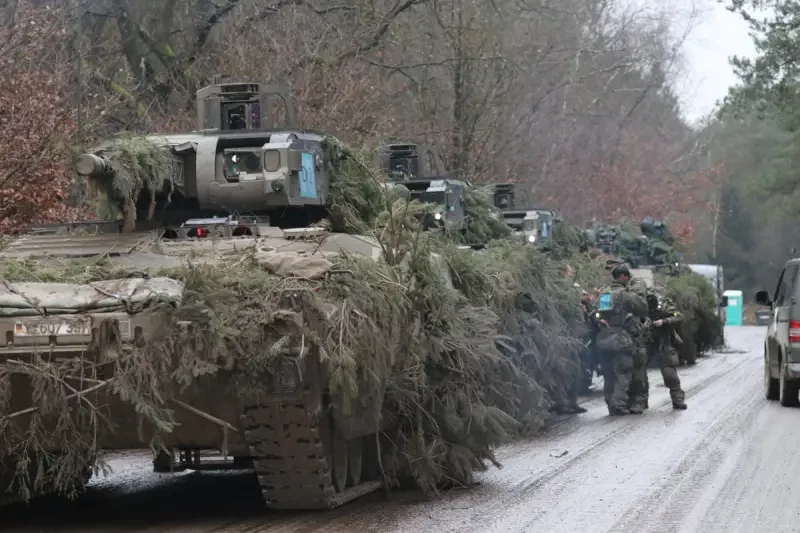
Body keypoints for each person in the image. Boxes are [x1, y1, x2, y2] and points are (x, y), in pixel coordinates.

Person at [595, 263, 649, 416]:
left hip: (605, 337)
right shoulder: (625, 294)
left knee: (608, 373)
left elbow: (598, 313)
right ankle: (618, 403)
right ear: (624, 277)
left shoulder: (604, 294)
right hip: (622, 337)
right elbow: (642, 308)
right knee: (623, 371)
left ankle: (610, 403)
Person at [647, 289, 688, 410]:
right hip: (643, 343)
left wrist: (664, 321)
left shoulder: (664, 305)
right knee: (637, 377)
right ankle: (639, 403)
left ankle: (678, 399)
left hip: (662, 343)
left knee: (670, 374)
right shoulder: (635, 304)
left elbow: (679, 317)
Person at [627, 275, 651, 411]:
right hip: (630, 336)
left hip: (639, 336)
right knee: (635, 370)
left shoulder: (637, 287)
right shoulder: (626, 294)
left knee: (638, 371)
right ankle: (638, 399)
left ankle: (639, 400)